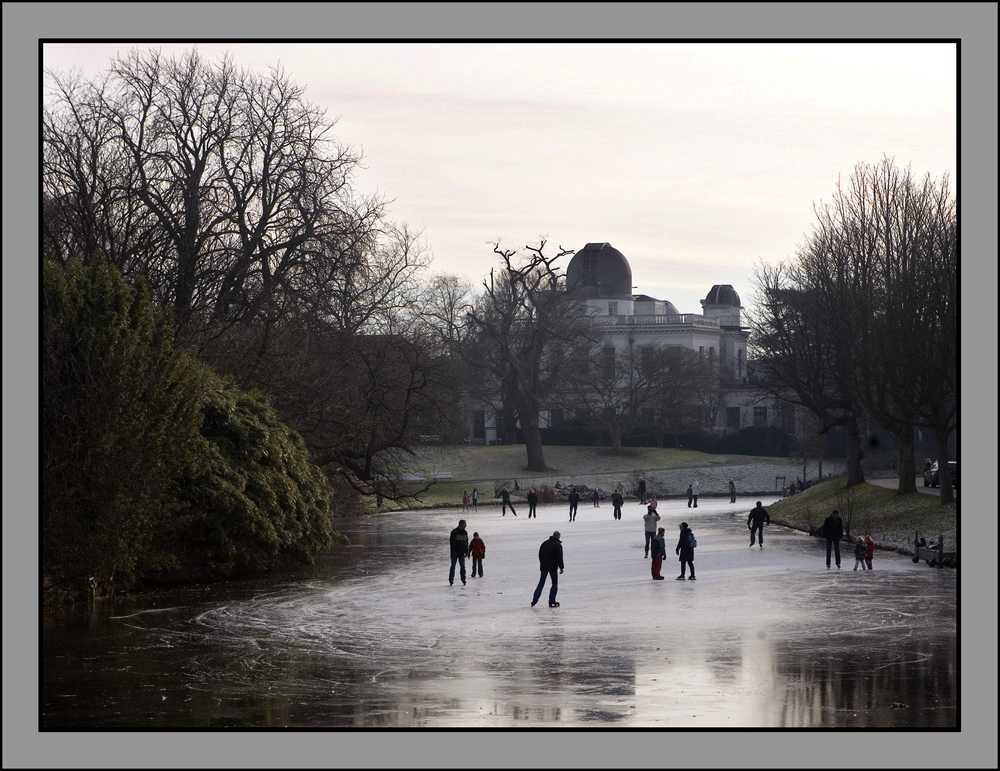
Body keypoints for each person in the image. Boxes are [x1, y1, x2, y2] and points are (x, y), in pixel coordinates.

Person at [531, 531, 564, 607]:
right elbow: (559, 557)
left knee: (541, 583)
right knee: (554, 583)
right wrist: (561, 567)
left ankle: (534, 600)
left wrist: (542, 563)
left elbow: (540, 554)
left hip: (544, 567)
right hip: (552, 567)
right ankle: (552, 600)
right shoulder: (558, 545)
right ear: (558, 536)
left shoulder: (544, 543)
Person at [449, 519, 470, 585]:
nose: (466, 525)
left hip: (461, 553)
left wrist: (467, 551)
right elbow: (452, 543)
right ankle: (451, 580)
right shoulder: (454, 532)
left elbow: (466, 542)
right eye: (465, 524)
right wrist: (453, 551)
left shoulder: (465, 532)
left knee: (463, 567)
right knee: (453, 566)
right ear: (461, 524)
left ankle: (463, 579)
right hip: (454, 553)